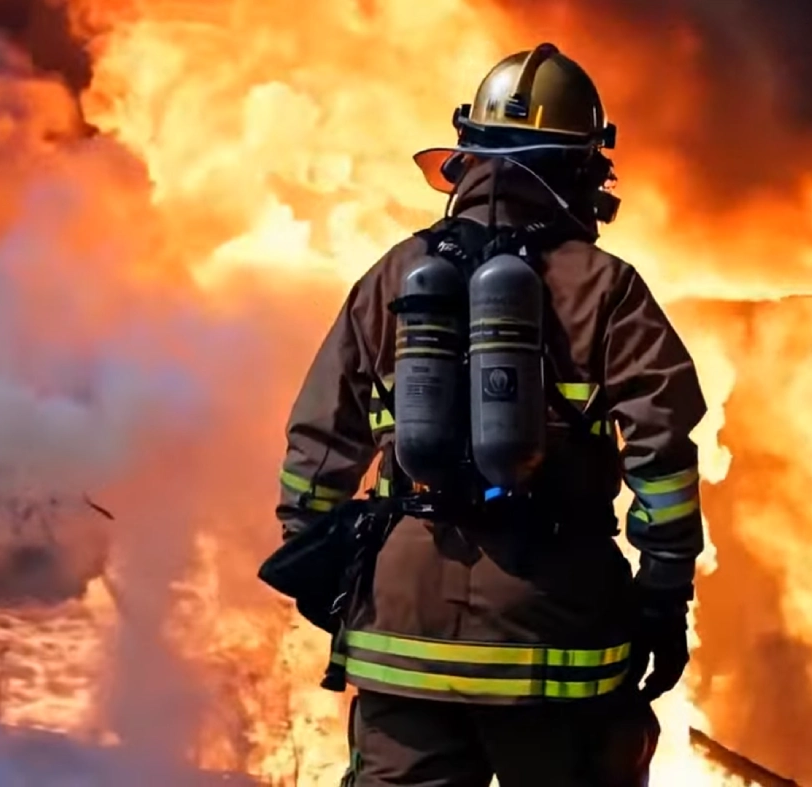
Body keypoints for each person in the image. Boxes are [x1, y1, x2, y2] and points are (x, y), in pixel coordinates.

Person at [275, 42, 707, 787]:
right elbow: (663, 455)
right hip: (555, 638)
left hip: (401, 633)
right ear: (584, 169)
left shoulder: (392, 275)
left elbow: (318, 443)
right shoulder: (607, 290)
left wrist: (315, 561)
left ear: (466, 155)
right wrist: (664, 594)